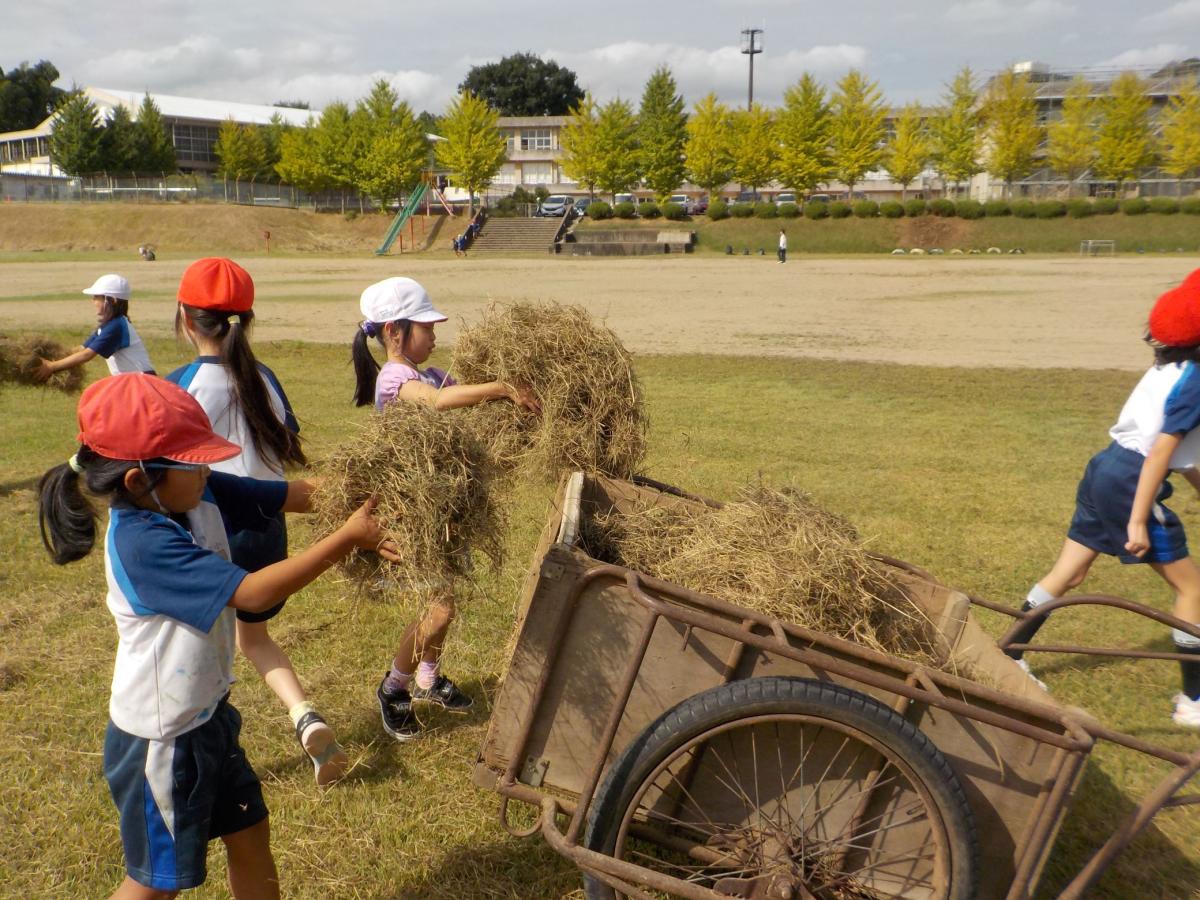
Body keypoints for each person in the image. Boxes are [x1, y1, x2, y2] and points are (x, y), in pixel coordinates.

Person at [36, 373, 396, 899]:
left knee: (250, 833)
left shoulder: (191, 489)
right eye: (194, 460)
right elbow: (250, 593)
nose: (208, 470)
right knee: (155, 884)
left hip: (208, 719)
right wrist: (346, 540)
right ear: (139, 481)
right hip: (162, 741)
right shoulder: (143, 542)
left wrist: (376, 496)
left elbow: (292, 495)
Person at [166, 257, 347, 786]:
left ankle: (209, 750)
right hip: (270, 529)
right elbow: (285, 444)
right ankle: (303, 714)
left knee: (204, 649)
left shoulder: (180, 387)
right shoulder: (264, 377)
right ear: (248, 321)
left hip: (212, 533)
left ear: (184, 317)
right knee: (254, 636)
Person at [1005, 268, 1200, 725]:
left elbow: (1184, 459)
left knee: (1068, 574)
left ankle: (1010, 653)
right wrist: (1136, 520)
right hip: (1133, 481)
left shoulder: (1169, 367)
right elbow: (1161, 454)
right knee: (1191, 588)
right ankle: (1194, 703)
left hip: (1106, 468)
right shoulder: (1196, 380)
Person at [350, 276, 539, 741]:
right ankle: (394, 687)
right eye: (427, 328)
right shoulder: (395, 378)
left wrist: (514, 397)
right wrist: (500, 387)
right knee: (439, 608)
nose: (435, 336)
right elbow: (436, 403)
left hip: (445, 508)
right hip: (412, 512)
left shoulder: (428, 373)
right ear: (395, 332)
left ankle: (428, 678)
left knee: (447, 597)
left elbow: (459, 394)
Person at [35, 274, 155, 381]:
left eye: (97, 297)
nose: (93, 300)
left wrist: (52, 366)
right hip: (130, 381)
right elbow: (82, 349)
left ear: (111, 300)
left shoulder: (116, 326)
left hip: (142, 382)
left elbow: (87, 355)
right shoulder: (107, 326)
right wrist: (55, 357)